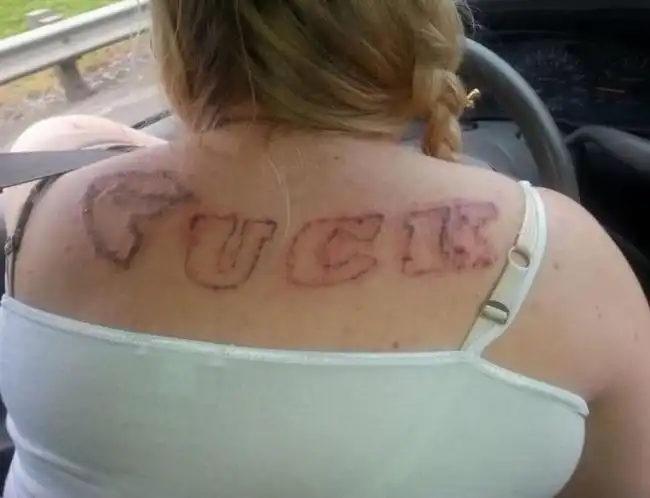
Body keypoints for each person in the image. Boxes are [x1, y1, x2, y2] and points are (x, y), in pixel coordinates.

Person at [1, 1, 649, 497]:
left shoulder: (43, 207)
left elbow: (61, 134)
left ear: (177, 40)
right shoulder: (555, 257)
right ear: (420, 30)